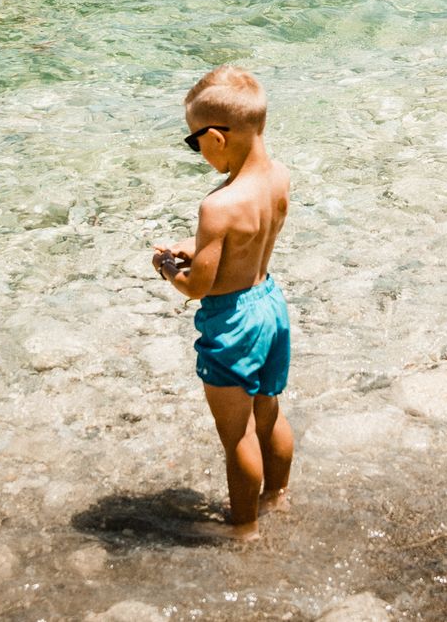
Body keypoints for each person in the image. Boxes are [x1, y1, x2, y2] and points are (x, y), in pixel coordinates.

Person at [152, 66, 294, 540]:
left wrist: (168, 267)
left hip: (233, 321)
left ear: (215, 137)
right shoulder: (279, 177)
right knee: (269, 413)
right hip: (269, 303)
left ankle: (245, 530)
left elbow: (198, 287)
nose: (198, 152)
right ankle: (277, 496)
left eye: (194, 143)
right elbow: (246, 244)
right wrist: (198, 249)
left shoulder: (218, 206)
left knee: (237, 436)